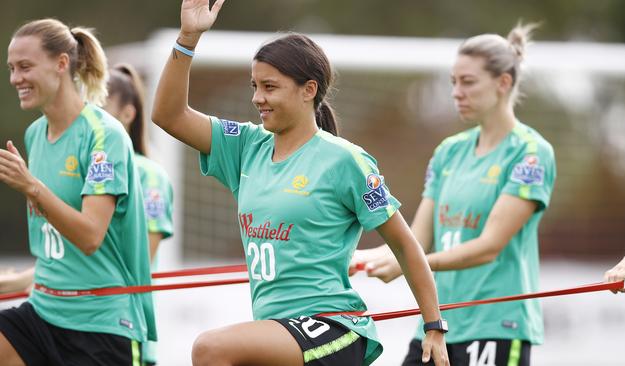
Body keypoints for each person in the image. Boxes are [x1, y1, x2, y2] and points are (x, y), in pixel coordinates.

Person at [152, 1, 449, 365]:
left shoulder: (345, 160)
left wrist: (433, 325)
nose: (257, 98)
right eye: (255, 86)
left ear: (308, 90)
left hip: (334, 328)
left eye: (270, 87)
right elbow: (168, 115)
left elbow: (405, 245)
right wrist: (188, 38)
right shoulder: (246, 146)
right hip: (279, 332)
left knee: (210, 348)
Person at [351, 23, 556, 366]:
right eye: (453, 82)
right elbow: (414, 240)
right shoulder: (448, 151)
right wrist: (350, 258)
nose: (456, 92)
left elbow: (489, 247)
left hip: (496, 327)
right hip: (437, 325)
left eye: (468, 82)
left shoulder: (531, 153)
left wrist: (407, 265)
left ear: (503, 83)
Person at [0, 18, 155, 365]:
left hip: (100, 324)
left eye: (25, 67)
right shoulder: (35, 135)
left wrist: (31, 187)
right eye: (11, 69)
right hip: (44, 311)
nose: (15, 79)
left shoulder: (104, 135)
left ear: (61, 63)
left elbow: (89, 236)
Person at [105, 63, 175, 366]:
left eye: (99, 108)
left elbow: (141, 260)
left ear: (128, 114)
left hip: (123, 329)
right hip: (74, 325)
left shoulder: (148, 174)